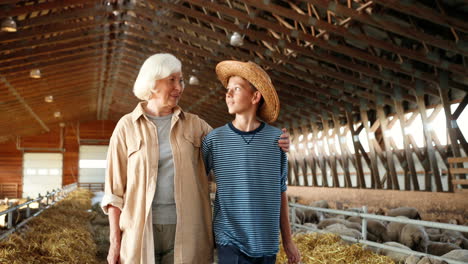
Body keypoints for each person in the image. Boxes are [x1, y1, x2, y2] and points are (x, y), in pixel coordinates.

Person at [100, 53, 290, 264]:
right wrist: (115, 242)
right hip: (139, 233)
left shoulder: (196, 126)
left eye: (181, 80)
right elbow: (113, 192)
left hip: (187, 233)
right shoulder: (126, 127)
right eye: (171, 80)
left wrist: (274, 141)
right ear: (152, 83)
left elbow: (234, 147)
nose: (179, 87)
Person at [202, 60, 301, 264]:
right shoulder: (214, 140)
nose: (228, 94)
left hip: (266, 241)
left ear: (255, 96)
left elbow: (281, 191)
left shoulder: (276, 141)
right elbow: (195, 182)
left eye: (236, 89)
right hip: (229, 239)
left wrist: (288, 241)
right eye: (227, 90)